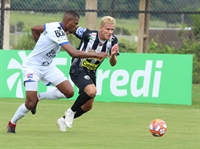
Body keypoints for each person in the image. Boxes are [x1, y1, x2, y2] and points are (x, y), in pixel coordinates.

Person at [6, 10, 108, 133]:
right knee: (30, 103)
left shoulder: (52, 25)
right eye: (75, 24)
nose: (76, 27)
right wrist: (96, 55)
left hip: (48, 67)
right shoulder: (57, 31)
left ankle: (39, 97)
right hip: (32, 67)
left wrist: (40, 46)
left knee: (69, 92)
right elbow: (73, 53)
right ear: (68, 21)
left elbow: (34, 29)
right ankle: (12, 123)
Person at [31, 16, 119, 132]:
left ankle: (62, 120)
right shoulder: (88, 34)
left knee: (88, 106)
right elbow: (70, 27)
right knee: (92, 91)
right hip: (78, 68)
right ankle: (70, 112)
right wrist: (57, 36)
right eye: (107, 29)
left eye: (112, 30)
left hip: (91, 72)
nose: (110, 32)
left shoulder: (113, 41)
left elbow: (113, 63)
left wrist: (112, 55)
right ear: (101, 28)